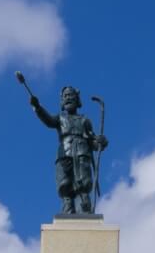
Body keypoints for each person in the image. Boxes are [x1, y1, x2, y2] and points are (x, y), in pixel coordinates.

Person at [28, 85, 108, 216]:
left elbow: (92, 141)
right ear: (62, 101)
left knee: (83, 183)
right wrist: (37, 107)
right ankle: (68, 207)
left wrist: (100, 142)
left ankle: (85, 207)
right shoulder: (60, 118)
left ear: (77, 100)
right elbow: (48, 120)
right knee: (65, 183)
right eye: (65, 96)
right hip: (64, 154)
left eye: (71, 95)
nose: (68, 98)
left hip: (82, 153)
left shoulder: (84, 120)